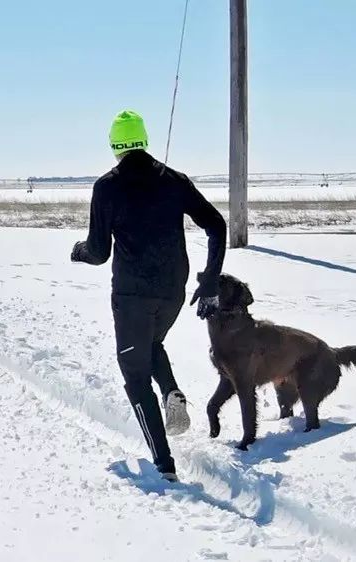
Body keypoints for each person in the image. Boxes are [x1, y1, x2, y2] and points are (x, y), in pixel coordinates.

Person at [70, 110, 226, 481]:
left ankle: (164, 464)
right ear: (143, 140)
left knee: (134, 372)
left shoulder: (107, 187)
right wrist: (210, 281)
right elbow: (217, 224)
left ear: (115, 145)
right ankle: (171, 391)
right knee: (152, 344)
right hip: (173, 291)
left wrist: (79, 251)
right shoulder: (175, 181)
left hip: (132, 295)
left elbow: (99, 251)